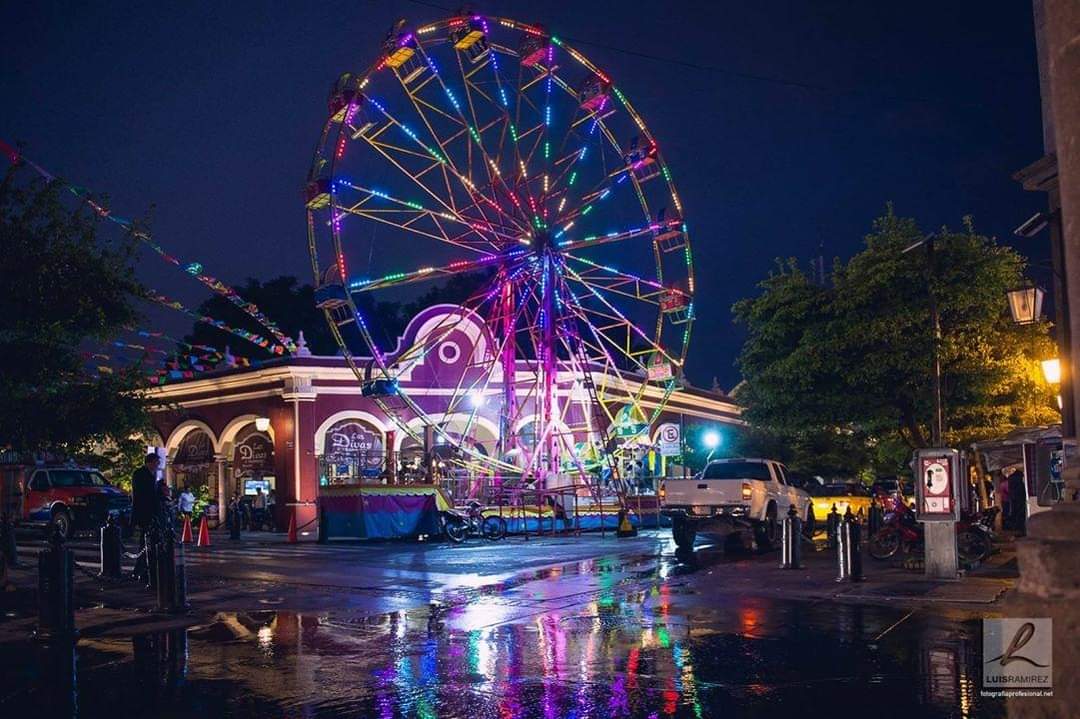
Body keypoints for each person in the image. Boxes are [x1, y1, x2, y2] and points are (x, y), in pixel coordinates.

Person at [131, 453, 161, 584]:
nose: (157, 465)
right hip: (145, 513)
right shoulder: (140, 474)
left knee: (147, 542)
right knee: (145, 542)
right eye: (156, 462)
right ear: (150, 462)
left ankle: (142, 568)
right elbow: (143, 495)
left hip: (150, 512)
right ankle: (141, 569)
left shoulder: (150, 475)